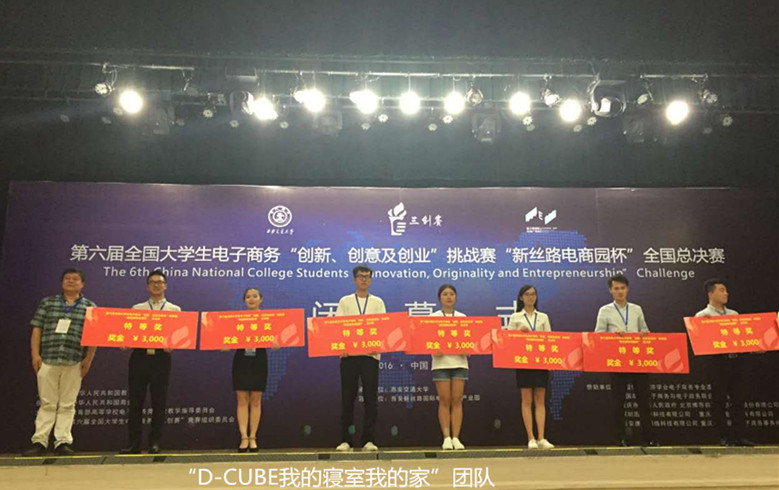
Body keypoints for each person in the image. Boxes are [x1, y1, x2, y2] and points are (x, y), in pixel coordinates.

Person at [22, 268, 98, 457]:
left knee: (67, 404)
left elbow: (94, 335)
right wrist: (35, 355)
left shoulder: (90, 306)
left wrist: (88, 359)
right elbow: (37, 329)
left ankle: (62, 442)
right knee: (47, 403)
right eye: (67, 278)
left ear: (82, 284)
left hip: (74, 360)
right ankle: (40, 441)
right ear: (62, 282)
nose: (71, 281)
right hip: (48, 358)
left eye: (75, 279)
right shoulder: (48, 303)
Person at [120, 270, 181, 455]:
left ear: (165, 286)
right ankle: (134, 444)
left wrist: (173, 345)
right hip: (139, 358)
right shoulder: (137, 308)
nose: (156, 285)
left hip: (161, 359)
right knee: (135, 401)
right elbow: (129, 333)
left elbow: (179, 336)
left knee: (159, 401)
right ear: (147, 286)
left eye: (159, 282)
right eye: (152, 282)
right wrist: (125, 341)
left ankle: (155, 442)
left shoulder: (174, 309)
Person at [594, 274, 657, 447]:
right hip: (618, 360)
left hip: (638, 360)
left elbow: (645, 330)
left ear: (627, 289)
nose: (620, 291)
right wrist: (613, 336)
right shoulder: (605, 310)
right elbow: (598, 336)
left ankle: (649, 437)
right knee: (618, 402)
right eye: (616, 288)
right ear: (610, 290)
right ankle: (620, 437)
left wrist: (644, 334)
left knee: (644, 400)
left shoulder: (636, 309)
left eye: (622, 288)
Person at [694, 279, 755, 447]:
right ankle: (722, 436)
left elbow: (743, 338)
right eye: (721, 290)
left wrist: (755, 346)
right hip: (717, 363)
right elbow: (699, 341)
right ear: (710, 294)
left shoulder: (734, 314)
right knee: (718, 400)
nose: (726, 293)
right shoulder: (702, 316)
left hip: (735, 361)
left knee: (738, 400)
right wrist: (704, 326)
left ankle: (740, 436)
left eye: (726, 290)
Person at [334, 265, 386, 452]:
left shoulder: (378, 302)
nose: (364, 279)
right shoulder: (345, 301)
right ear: (354, 279)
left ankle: (368, 440)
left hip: (370, 356)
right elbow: (338, 326)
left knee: (371, 399)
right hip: (349, 357)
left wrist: (378, 346)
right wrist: (342, 347)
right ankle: (345, 440)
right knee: (348, 399)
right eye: (360, 276)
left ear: (371, 280)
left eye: (367, 276)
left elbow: (383, 327)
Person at [505, 285, 555, 450]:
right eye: (527, 294)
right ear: (521, 298)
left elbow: (549, 339)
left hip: (540, 362)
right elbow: (508, 340)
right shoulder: (515, 317)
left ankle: (541, 437)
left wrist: (550, 362)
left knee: (540, 400)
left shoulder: (543, 317)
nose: (531, 297)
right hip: (523, 361)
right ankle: (531, 437)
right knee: (526, 401)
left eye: (533, 294)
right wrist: (520, 333)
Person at [229, 287, 277, 453]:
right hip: (241, 359)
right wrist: (224, 344)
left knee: (256, 399)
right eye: (248, 297)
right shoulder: (237, 320)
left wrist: (276, 342)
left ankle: (253, 437)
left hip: (259, 359)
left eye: (255, 296)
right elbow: (226, 338)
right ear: (244, 301)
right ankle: (243, 437)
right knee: (242, 399)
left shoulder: (268, 319)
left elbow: (277, 338)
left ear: (261, 299)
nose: (251, 299)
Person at [430, 284, 468, 450]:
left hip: (459, 363)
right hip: (441, 364)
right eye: (445, 294)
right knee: (444, 400)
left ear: (456, 297)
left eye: (451, 294)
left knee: (457, 400)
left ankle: (456, 437)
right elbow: (426, 340)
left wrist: (468, 348)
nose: (448, 297)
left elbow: (470, 341)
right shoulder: (433, 317)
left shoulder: (462, 317)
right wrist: (433, 349)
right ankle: (446, 437)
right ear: (440, 298)